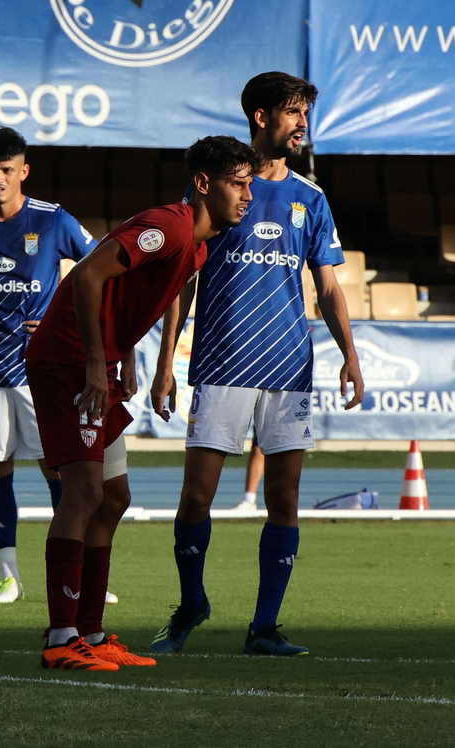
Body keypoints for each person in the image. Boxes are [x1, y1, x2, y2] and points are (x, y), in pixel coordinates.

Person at [149, 73, 364, 657]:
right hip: (220, 365)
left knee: (284, 500)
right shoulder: (221, 191)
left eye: (306, 115)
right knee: (196, 498)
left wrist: (350, 355)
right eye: (294, 113)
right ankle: (192, 604)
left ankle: (264, 627)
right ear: (262, 117)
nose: (303, 125)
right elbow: (182, 282)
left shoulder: (311, 199)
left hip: (289, 368)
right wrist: (166, 360)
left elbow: (329, 287)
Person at [26, 135, 257, 672]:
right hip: (67, 361)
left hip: (99, 359)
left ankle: (90, 632)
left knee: (114, 497)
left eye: (249, 185)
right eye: (238, 184)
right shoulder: (172, 226)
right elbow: (88, 275)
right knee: (84, 491)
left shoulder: (198, 244)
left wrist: (125, 355)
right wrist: (93, 362)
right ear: (204, 184)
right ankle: (61, 637)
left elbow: (129, 295)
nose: (247, 196)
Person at [0, 126, 93, 604]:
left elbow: (100, 271)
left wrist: (62, 318)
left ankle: (78, 573)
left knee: (61, 473)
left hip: (41, 371)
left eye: (7, 169)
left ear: (23, 171)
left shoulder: (53, 221)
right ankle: (8, 577)